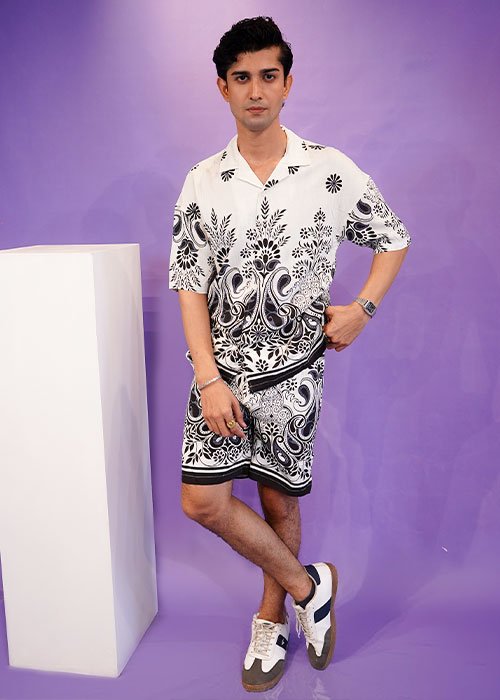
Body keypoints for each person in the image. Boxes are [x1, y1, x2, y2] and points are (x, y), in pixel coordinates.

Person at [168, 16, 411, 693]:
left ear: (287, 83)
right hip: (220, 375)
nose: (256, 91)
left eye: (267, 76)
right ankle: (310, 587)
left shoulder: (329, 170)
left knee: (279, 504)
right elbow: (190, 284)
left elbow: (392, 237)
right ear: (223, 88)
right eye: (241, 78)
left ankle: (272, 619)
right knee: (203, 502)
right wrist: (208, 377)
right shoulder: (203, 180)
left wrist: (362, 309)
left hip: (294, 374)